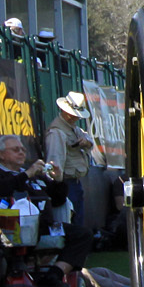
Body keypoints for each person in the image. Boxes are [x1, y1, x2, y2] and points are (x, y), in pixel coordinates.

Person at [0, 134, 92, 287]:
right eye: (15, 149)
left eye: (23, 149)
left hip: (44, 227)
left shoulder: (34, 176)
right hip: (11, 230)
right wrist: (27, 174)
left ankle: (54, 275)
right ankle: (19, 276)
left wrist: (58, 179)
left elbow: (58, 199)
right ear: (2, 154)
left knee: (82, 234)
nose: (21, 152)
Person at [42, 93, 97, 232]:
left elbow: (89, 140)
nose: (77, 117)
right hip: (65, 183)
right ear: (65, 111)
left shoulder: (73, 128)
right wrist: (57, 184)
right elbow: (54, 160)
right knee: (69, 222)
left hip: (75, 182)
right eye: (75, 114)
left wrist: (86, 143)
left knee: (77, 220)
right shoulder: (57, 132)